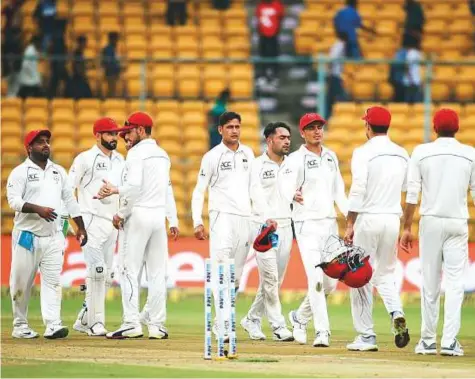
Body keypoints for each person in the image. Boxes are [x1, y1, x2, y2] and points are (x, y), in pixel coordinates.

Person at [95, 112, 179, 339]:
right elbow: (167, 189)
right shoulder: (163, 155)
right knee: (157, 272)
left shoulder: (135, 155)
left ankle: (131, 322)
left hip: (139, 214)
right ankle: (157, 325)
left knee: (128, 270)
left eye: (128, 132)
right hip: (158, 217)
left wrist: (120, 213)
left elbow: (133, 187)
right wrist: (173, 219)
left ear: (141, 130)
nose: (125, 138)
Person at [400, 109, 474, 357]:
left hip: (430, 222)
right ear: (457, 128)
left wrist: (407, 227)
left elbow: (412, 194)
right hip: (457, 222)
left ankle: (428, 341)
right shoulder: (470, 154)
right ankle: (450, 342)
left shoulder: (421, 152)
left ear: (434, 127)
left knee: (430, 284)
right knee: (455, 285)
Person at [6, 129, 87, 339]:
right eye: (40, 142)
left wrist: (80, 226)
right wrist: (38, 209)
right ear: (29, 148)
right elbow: (13, 201)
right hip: (27, 236)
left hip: (53, 237)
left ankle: (53, 324)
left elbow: (70, 200)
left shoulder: (58, 171)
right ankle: (20, 325)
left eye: (47, 141)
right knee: (21, 282)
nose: (45, 145)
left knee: (52, 282)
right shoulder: (20, 172)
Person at [343, 106, 410, 352]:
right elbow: (406, 187)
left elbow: (358, 189)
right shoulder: (402, 153)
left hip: (369, 218)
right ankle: (397, 312)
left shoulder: (362, 152)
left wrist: (350, 223)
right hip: (392, 219)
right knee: (385, 274)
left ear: (368, 127)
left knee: (359, 276)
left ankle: (366, 336)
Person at [191, 111, 255, 341]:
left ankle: (221, 321)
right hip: (222, 219)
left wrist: (261, 217)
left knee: (235, 279)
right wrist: (197, 221)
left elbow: (255, 188)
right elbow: (199, 190)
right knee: (222, 274)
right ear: (220, 130)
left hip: (245, 220)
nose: (235, 130)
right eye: (229, 127)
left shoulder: (248, 153)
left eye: (237, 126)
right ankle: (224, 325)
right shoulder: (212, 156)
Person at [286, 113, 348, 347]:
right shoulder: (295, 159)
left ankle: (299, 317)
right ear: (302, 133)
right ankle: (323, 332)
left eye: (319, 127)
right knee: (316, 280)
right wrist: (291, 193)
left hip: (329, 223)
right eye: (311, 128)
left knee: (331, 283)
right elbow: (284, 185)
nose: (317, 131)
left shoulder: (331, 156)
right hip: (306, 224)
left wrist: (350, 218)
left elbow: (339, 192)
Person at [70, 118, 125, 336]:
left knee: (107, 276)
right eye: (109, 134)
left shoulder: (121, 159)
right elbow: (68, 189)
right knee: (97, 271)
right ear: (97, 135)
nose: (114, 138)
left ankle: (84, 319)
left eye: (115, 134)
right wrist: (76, 222)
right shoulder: (85, 159)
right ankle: (96, 323)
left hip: (112, 223)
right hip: (91, 220)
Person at [240, 122, 294, 342]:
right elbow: (252, 193)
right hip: (263, 227)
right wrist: (264, 218)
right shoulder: (256, 165)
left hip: (286, 225)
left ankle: (252, 318)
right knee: (270, 278)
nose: (287, 141)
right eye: (282, 137)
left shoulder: (293, 164)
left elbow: (297, 190)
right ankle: (278, 325)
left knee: (275, 280)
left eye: (288, 137)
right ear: (270, 140)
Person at [256, 0, 284, 86]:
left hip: (273, 35)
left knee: (274, 55)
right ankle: (263, 75)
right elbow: (258, 18)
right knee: (263, 55)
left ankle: (274, 76)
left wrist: (276, 30)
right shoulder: (260, 5)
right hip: (263, 35)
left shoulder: (277, 4)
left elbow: (280, 17)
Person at [326, 31, 349, 118]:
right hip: (335, 74)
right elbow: (332, 58)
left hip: (336, 74)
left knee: (333, 96)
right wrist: (329, 71)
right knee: (335, 96)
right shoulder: (339, 45)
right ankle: (330, 116)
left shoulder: (339, 45)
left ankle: (331, 115)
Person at [402, 34, 422, 104]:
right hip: (412, 81)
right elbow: (407, 66)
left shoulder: (417, 53)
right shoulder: (412, 53)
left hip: (415, 80)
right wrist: (411, 80)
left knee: (416, 101)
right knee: (410, 101)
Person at [101, 32, 121, 98]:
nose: (117, 41)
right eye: (116, 39)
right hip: (110, 74)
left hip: (114, 74)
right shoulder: (108, 49)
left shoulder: (114, 49)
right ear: (111, 39)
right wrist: (118, 67)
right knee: (111, 93)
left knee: (113, 92)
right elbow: (107, 63)